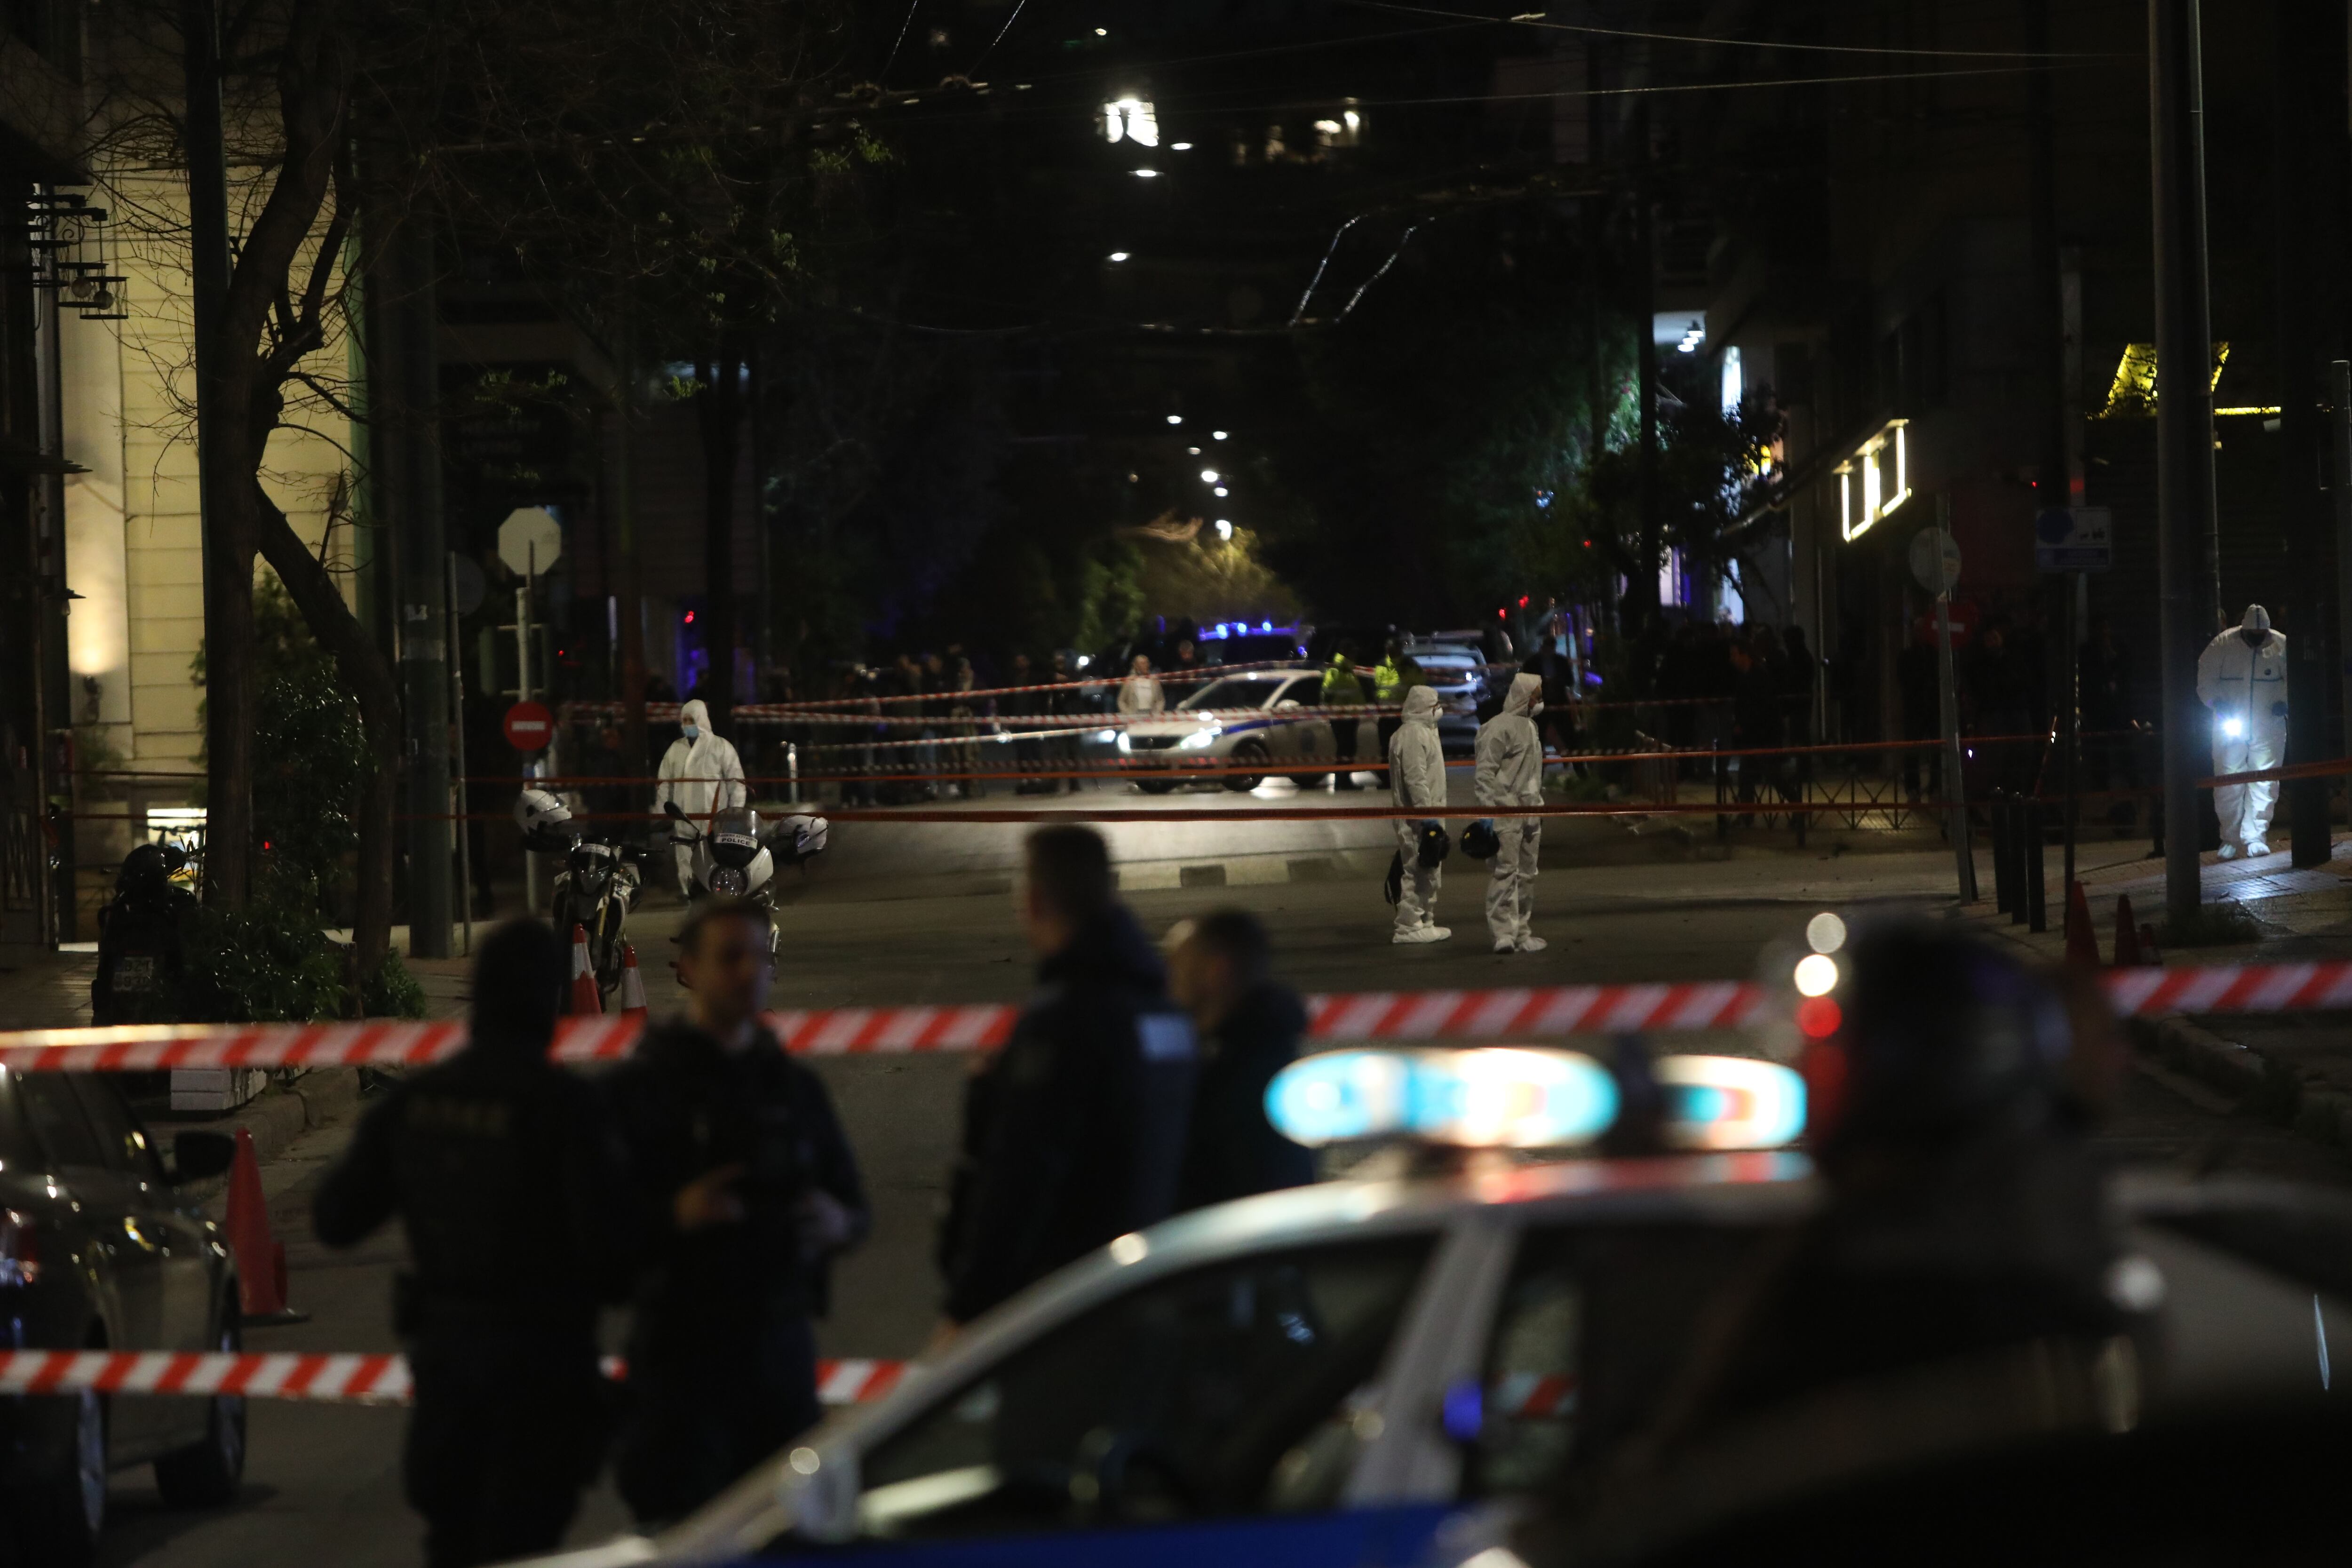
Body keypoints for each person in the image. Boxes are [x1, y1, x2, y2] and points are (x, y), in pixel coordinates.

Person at [312, 921, 634, 1568]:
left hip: (450, 1371)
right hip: (544, 1378)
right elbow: (619, 1256)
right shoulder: (570, 1108)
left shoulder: (420, 1103)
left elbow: (337, 1217)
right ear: (550, 1001)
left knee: (453, 1543)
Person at [600, 898, 869, 1525]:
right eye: (731, 957)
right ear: (690, 969)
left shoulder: (795, 1089)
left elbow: (854, 1206)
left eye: (762, 958)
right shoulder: (640, 1092)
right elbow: (591, 1233)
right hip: (682, 1369)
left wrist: (838, 1222)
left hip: (779, 1362)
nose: (750, 972)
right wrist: (674, 1217)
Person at [937, 825, 1197, 1332]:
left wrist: (965, 1308)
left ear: (1034, 902)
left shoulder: (1064, 1022)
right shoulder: (1165, 1011)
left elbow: (1021, 1179)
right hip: (1153, 1291)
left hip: (1070, 1307)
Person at [1166, 909, 1317, 1210]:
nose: (1169, 980)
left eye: (1178, 966)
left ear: (1216, 970)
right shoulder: (1266, 1054)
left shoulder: (1236, 1076)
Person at [2196, 603, 2288, 858]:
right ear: (2243, 630)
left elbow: (2296, 680)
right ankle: (2230, 838)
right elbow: (2205, 680)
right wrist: (2217, 703)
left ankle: (2256, 836)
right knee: (2228, 780)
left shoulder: (2281, 646)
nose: (2258, 641)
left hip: (2267, 724)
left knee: (2266, 779)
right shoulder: (2222, 645)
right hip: (2230, 723)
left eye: (2262, 637)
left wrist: (2284, 702)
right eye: (2253, 636)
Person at [1476, 672, 1547, 954]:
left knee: (1527, 875)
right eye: (1537, 696)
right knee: (1505, 874)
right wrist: (1486, 814)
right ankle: (1503, 933)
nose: (1540, 701)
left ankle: (1521, 932)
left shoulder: (1530, 728)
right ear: (1524, 696)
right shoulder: (1498, 728)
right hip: (1505, 813)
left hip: (1531, 812)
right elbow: (1484, 774)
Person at [653, 698, 747, 896]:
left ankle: (716, 893)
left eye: (691, 720)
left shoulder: (721, 747)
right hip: (683, 817)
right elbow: (664, 783)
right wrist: (662, 811)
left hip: (714, 819)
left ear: (701, 719)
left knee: (714, 859)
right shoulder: (675, 750)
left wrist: (734, 812)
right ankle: (689, 895)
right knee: (685, 859)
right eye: (685, 720)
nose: (688, 725)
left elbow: (736, 783)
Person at [1388, 684, 1452, 944]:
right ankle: (1408, 926)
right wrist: (1428, 819)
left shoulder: (1424, 731)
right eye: (1434, 705)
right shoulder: (1413, 734)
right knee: (1417, 869)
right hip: (1418, 819)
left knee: (1429, 870)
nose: (1439, 710)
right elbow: (1416, 779)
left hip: (1428, 814)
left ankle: (1425, 920)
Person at [1323, 651, 1367, 789]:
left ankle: (1344, 779)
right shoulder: (1338, 671)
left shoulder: (1348, 671)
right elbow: (1328, 694)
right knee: (1345, 749)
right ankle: (1342, 781)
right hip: (1342, 718)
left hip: (1350, 716)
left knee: (1348, 749)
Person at [1373, 638, 1406, 780]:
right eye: (1388, 648)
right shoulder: (1381, 666)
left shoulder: (1408, 666)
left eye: (1393, 648)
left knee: (1402, 748)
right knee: (1386, 748)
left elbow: (1417, 685)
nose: (1390, 651)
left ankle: (1401, 776)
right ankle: (1386, 778)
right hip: (1385, 715)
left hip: (1402, 715)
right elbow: (1375, 688)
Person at [1118, 651, 1164, 716]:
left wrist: (1158, 712)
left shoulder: (1154, 681)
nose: (1146, 665)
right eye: (1142, 663)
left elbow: (1161, 700)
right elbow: (1121, 701)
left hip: (1152, 714)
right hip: (1134, 714)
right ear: (1136, 666)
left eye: (1147, 663)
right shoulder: (1130, 681)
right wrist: (1128, 713)